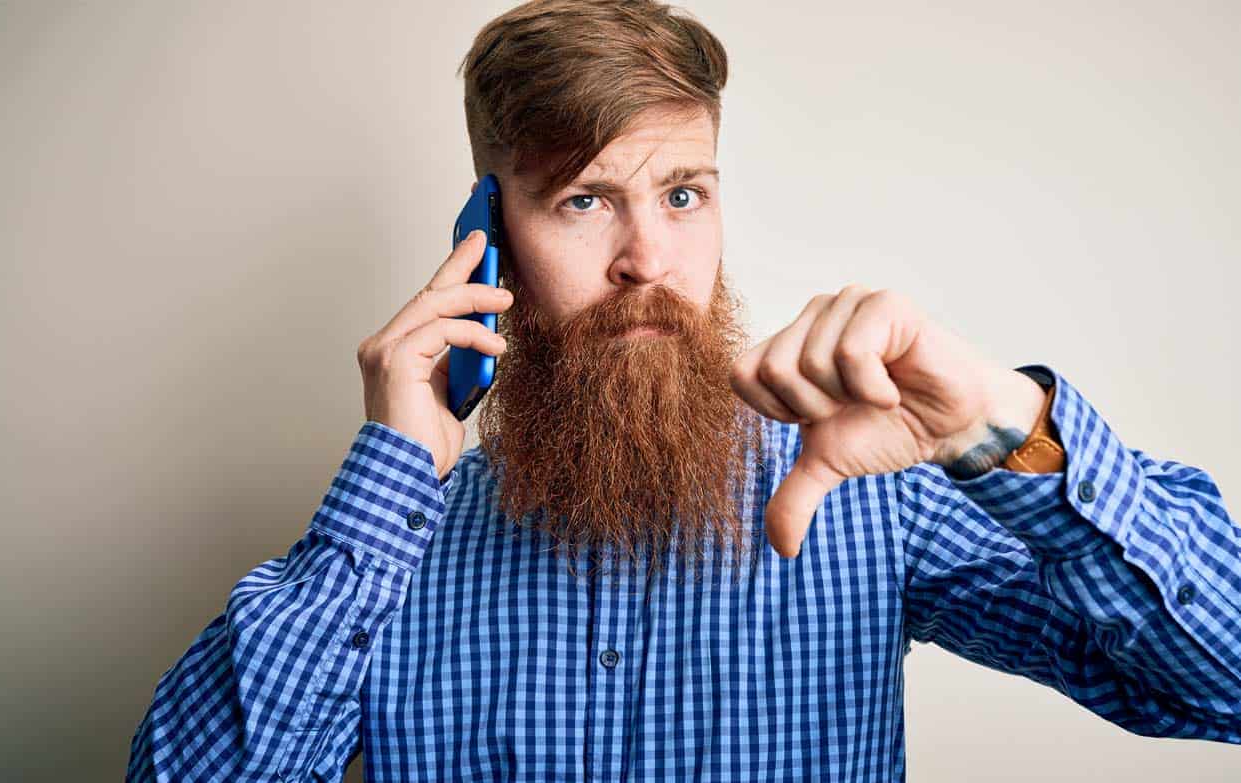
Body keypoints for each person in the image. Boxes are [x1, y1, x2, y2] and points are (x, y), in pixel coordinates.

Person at [127, 1, 1241, 780]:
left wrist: (1001, 432)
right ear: (486, 239)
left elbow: (1217, 685)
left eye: (681, 193)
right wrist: (390, 480)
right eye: (580, 201)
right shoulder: (393, 547)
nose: (646, 262)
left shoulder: (866, 489)